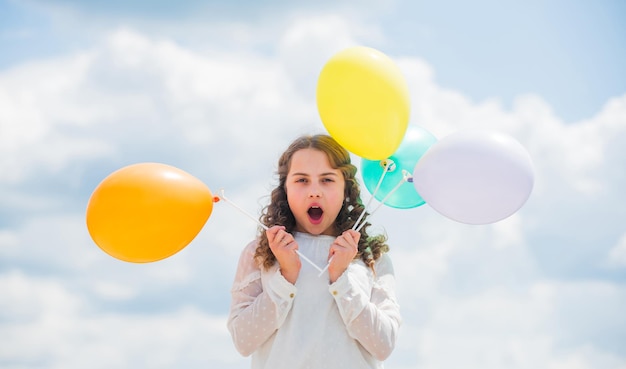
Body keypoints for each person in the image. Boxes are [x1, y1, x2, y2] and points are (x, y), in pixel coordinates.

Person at [227, 134, 401, 369]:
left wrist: (341, 278)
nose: (314, 192)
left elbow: (383, 345)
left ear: (346, 188)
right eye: (302, 180)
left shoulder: (372, 257)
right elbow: (243, 341)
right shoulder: (260, 252)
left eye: (327, 180)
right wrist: (287, 275)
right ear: (285, 188)